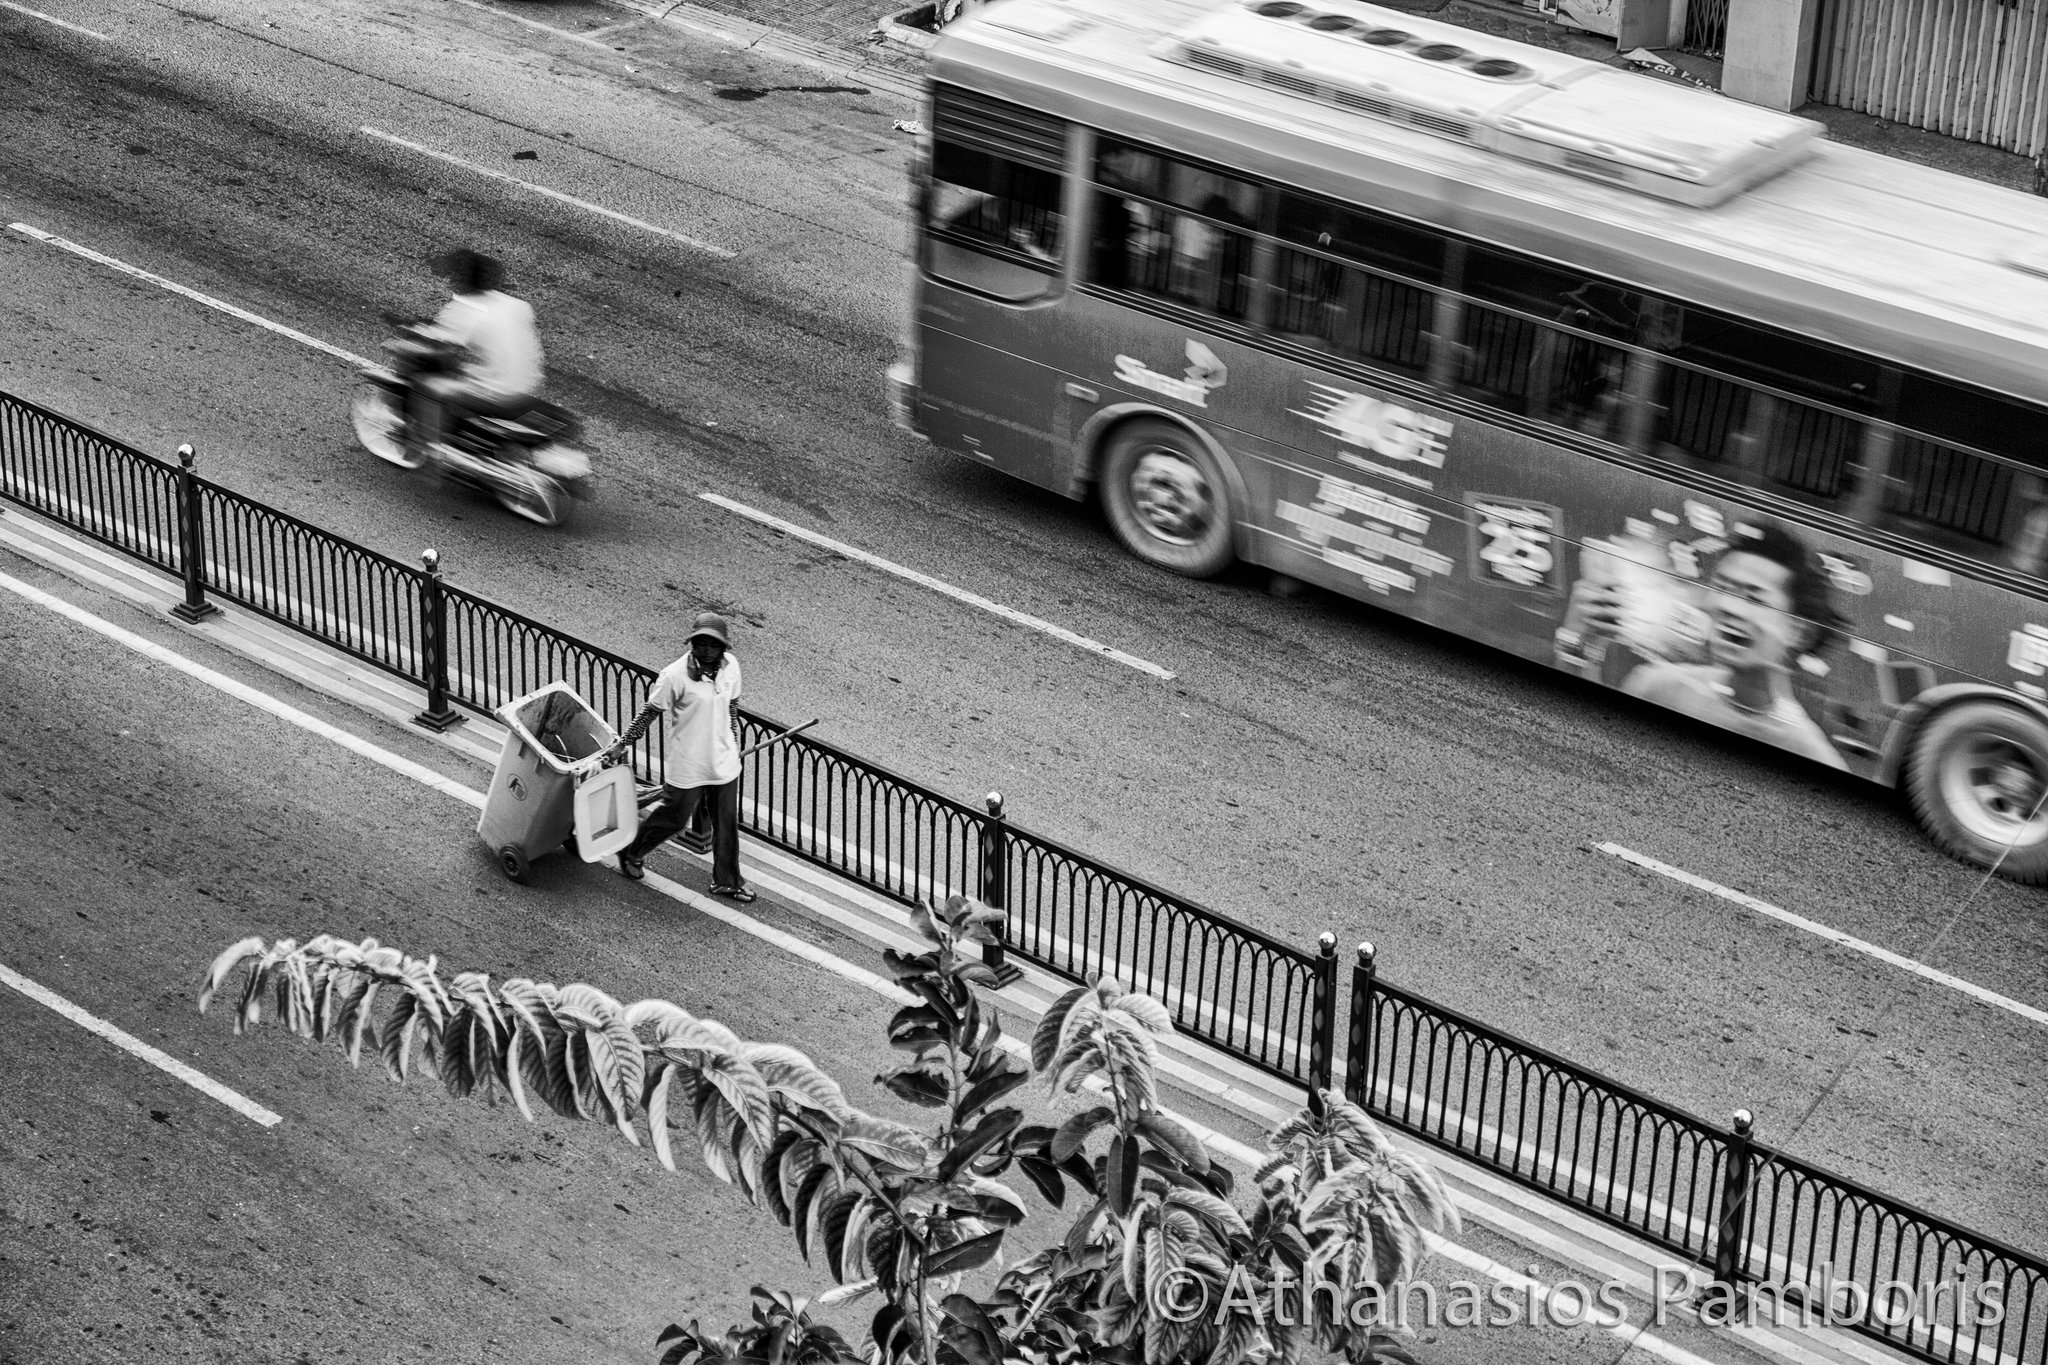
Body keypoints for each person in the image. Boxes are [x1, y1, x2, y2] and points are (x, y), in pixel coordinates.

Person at [1567, 522, 1850, 770]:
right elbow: (1589, 760)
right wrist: (1583, 644)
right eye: (1724, 588)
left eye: (1754, 599)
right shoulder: (1659, 687)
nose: (1728, 607)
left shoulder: (1809, 752)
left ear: (1797, 631)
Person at [607, 612, 755, 899]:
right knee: (674, 818)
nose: (706, 650)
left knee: (725, 823)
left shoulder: (731, 667)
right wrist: (624, 743)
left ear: (723, 648)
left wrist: (733, 740)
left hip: (723, 761)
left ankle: (727, 880)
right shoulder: (674, 675)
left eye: (713, 645)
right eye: (701, 643)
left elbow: (732, 708)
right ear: (692, 643)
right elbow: (650, 712)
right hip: (688, 761)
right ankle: (632, 851)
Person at [413, 248, 544, 454]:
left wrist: (416, 332)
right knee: (469, 371)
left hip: (500, 392)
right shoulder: (518, 305)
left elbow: (438, 340)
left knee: (430, 388)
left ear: (463, 280)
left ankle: (432, 452)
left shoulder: (467, 309)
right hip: (528, 386)